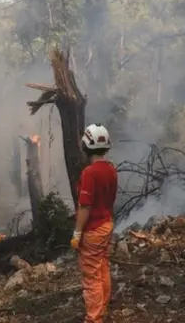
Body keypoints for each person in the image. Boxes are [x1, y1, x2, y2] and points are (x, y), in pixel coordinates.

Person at [70, 123, 118, 323]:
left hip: (93, 229)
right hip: (107, 224)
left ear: (85, 146)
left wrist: (77, 233)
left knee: (91, 277)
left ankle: (94, 318)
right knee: (102, 267)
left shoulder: (89, 173)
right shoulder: (111, 169)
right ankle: (103, 308)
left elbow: (85, 206)